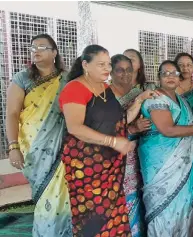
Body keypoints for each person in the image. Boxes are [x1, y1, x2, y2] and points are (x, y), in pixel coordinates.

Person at [58, 44, 155, 236]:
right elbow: (75, 127)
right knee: (93, 219)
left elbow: (120, 120)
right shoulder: (74, 89)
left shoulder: (104, 88)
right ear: (85, 65)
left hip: (110, 166)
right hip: (86, 167)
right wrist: (113, 142)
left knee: (114, 216)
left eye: (108, 64)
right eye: (101, 64)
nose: (107, 69)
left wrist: (140, 100)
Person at [5, 33, 71, 236]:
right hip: (32, 147)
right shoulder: (22, 78)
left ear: (54, 52)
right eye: (33, 48)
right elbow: (12, 113)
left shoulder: (67, 79)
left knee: (61, 195)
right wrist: (13, 146)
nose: (36, 51)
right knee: (43, 194)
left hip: (62, 148)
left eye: (41, 47)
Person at [139, 60, 193, 236]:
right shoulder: (155, 99)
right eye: (166, 73)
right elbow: (167, 130)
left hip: (183, 166)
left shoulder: (181, 100)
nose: (171, 77)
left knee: (183, 209)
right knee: (164, 212)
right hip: (161, 165)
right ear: (159, 77)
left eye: (174, 73)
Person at [109, 54, 151, 237]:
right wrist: (133, 128)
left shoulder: (136, 93)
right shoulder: (104, 95)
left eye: (129, 70)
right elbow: (105, 130)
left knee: (133, 198)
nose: (125, 74)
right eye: (119, 70)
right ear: (110, 72)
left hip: (132, 156)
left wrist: (138, 128)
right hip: (109, 157)